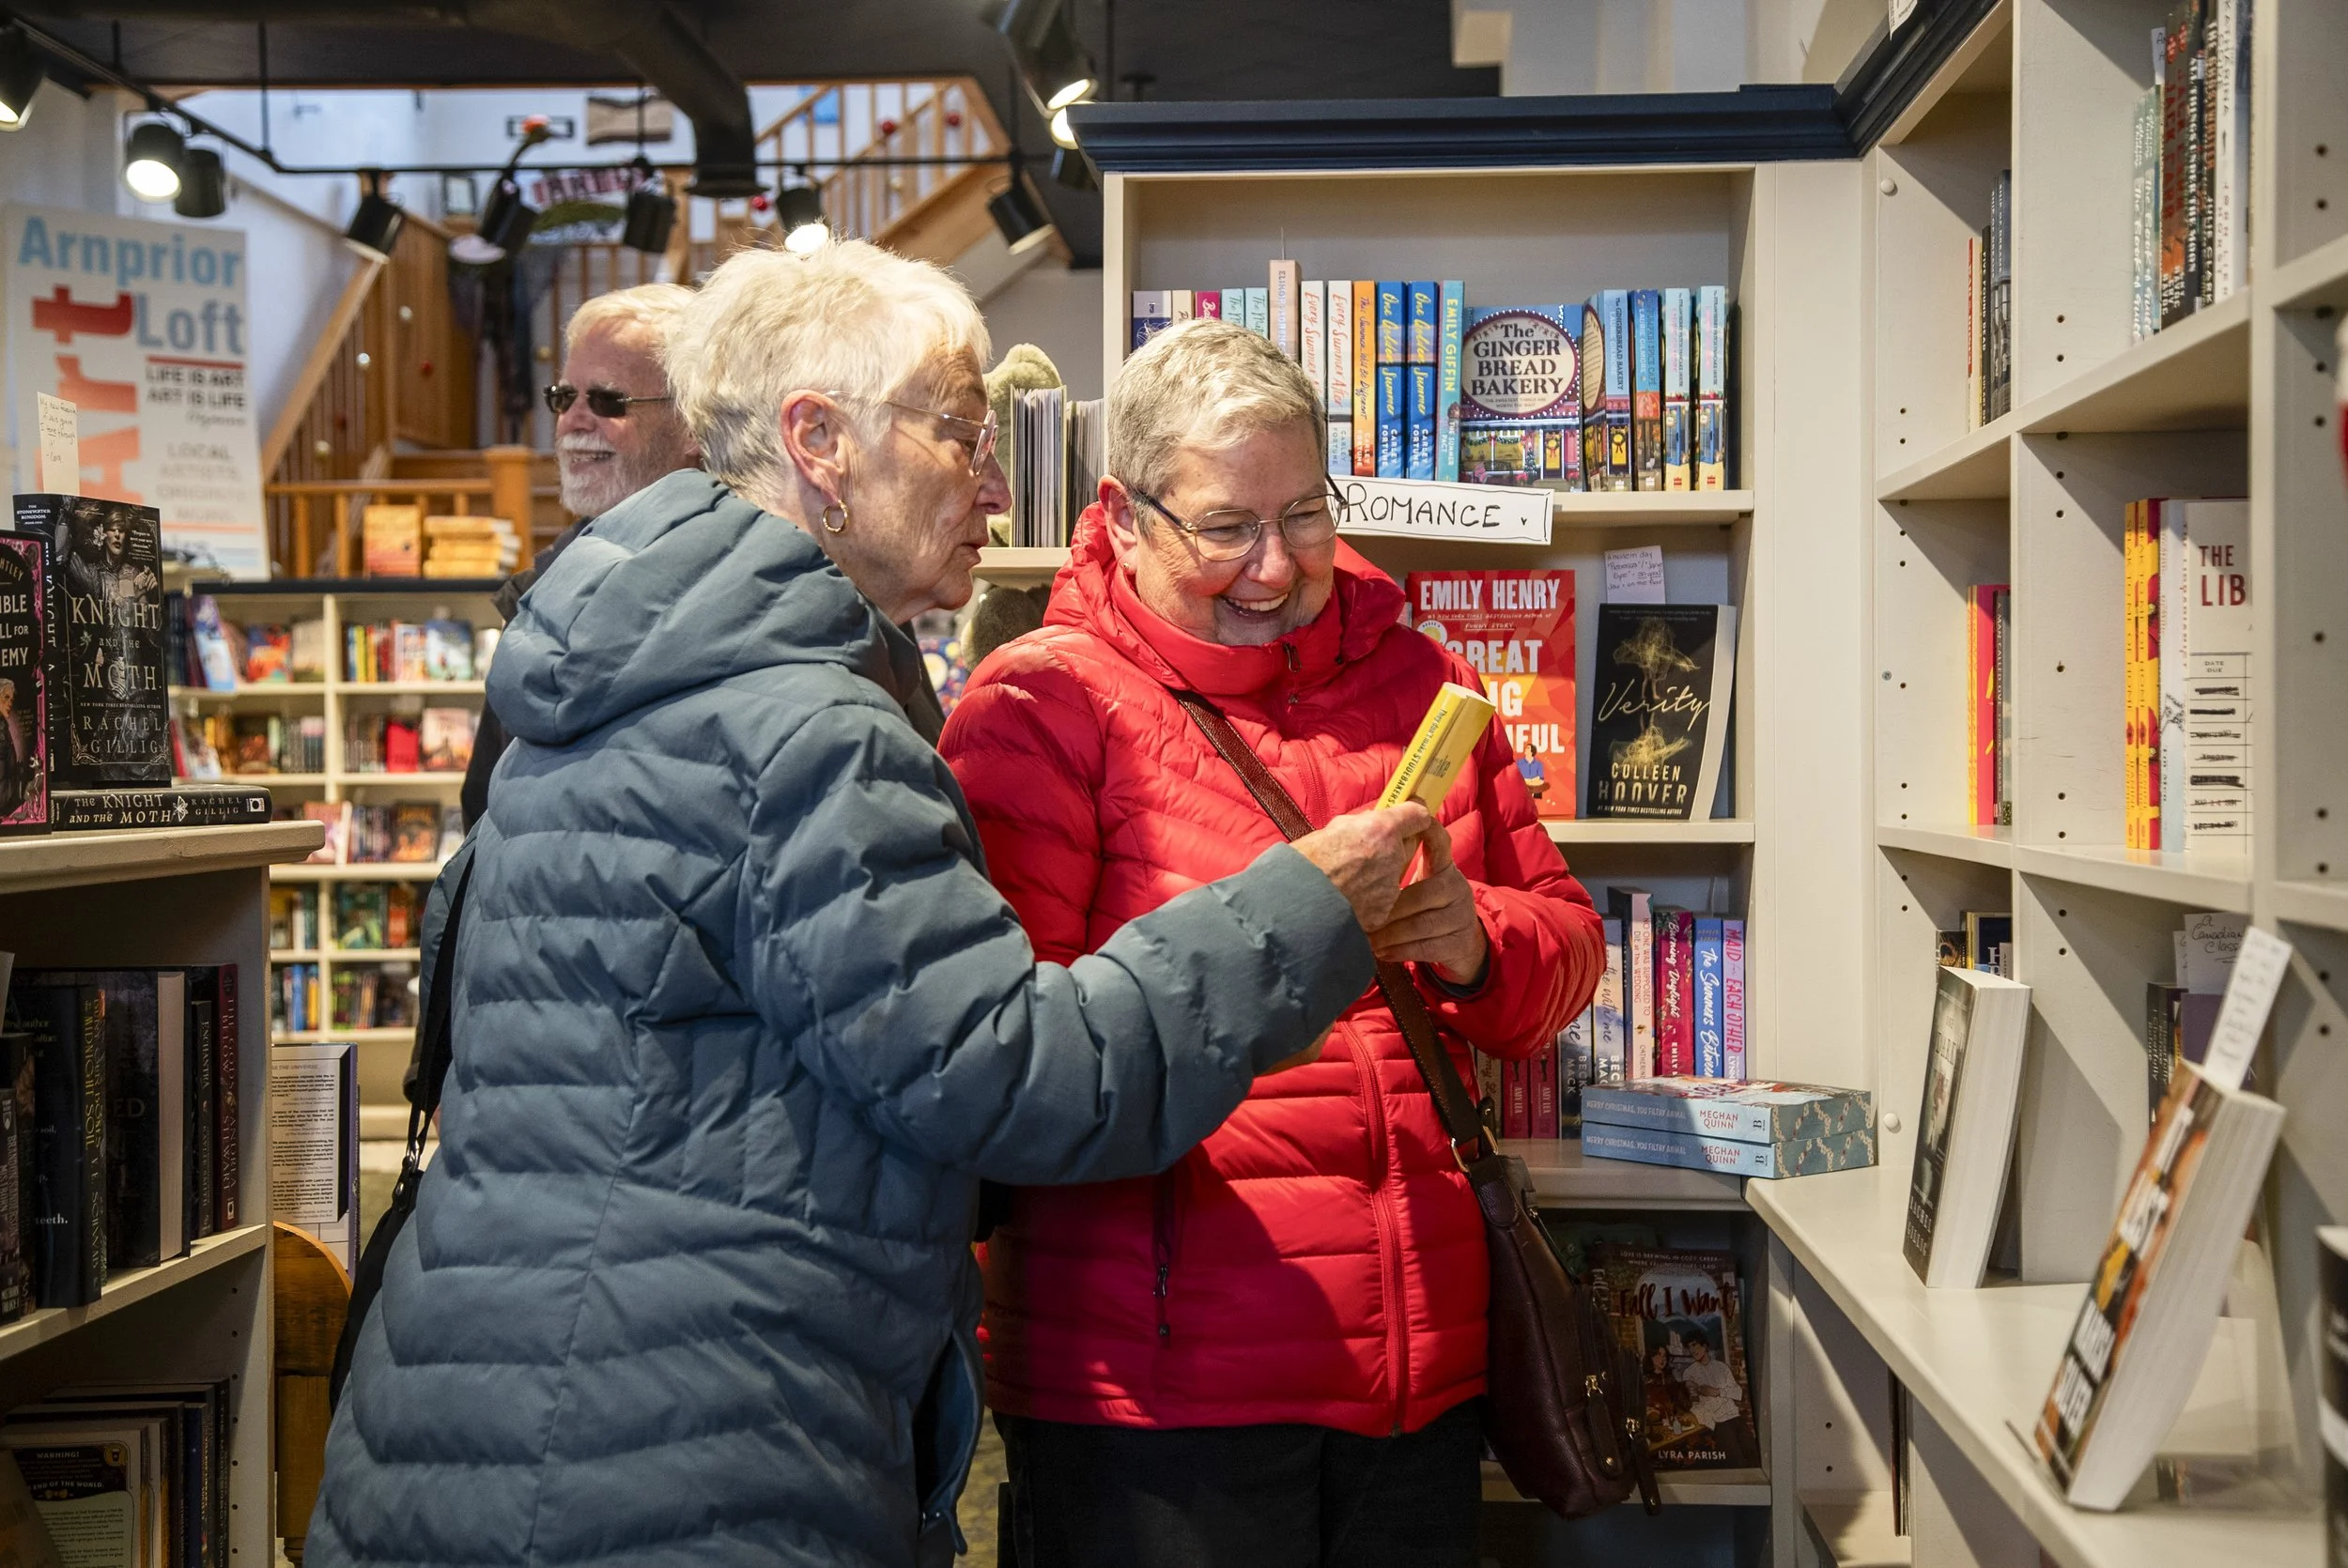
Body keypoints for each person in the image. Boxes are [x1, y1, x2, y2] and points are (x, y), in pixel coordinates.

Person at [310, 241, 1442, 1568]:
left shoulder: (624, 670)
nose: (997, 480)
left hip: (491, 1411)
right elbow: (1014, 1078)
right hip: (681, 1451)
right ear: (820, 445)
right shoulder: (807, 730)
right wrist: (1304, 909)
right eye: (961, 429)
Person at [937, 317, 1606, 1568]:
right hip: (1156, 1396)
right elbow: (1004, 1067)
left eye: (1305, 513)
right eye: (1224, 526)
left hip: (1421, 1372)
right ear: (1124, 516)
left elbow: (1565, 955)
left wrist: (1475, 941)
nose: (1275, 566)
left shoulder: (1416, 680)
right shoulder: (1040, 705)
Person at [457, 283, 704, 827]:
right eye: (565, 397)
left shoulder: (761, 585)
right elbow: (485, 804)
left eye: (609, 401)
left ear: (695, 422)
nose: (573, 420)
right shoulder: (538, 596)